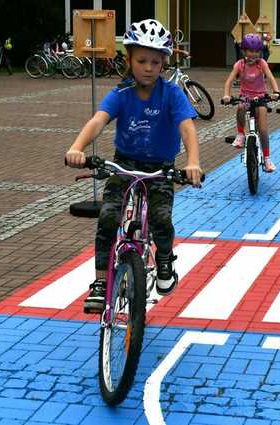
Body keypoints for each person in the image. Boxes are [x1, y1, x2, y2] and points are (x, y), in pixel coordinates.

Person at [65, 19, 203, 314]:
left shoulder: (171, 94)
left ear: (164, 63)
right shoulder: (121, 94)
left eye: (156, 61)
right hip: (124, 164)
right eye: (142, 60)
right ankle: (101, 282)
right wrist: (77, 148)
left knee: (161, 218)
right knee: (108, 218)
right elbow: (98, 121)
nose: (149, 67)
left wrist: (192, 162)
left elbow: (187, 128)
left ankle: (164, 258)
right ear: (129, 59)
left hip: (160, 167)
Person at [222, 33, 280, 172]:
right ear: (244, 51)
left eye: (256, 51)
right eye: (250, 51)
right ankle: (241, 134)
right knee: (241, 107)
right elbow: (229, 80)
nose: (253, 54)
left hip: (260, 98)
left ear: (260, 52)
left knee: (263, 130)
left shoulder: (262, 64)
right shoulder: (240, 64)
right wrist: (226, 95)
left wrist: (276, 92)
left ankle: (267, 159)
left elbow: (271, 77)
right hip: (245, 97)